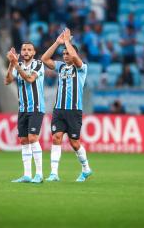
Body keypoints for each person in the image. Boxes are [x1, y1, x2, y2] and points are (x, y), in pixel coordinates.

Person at [41, 28, 92, 182]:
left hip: (74, 111)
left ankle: (86, 169)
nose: (64, 56)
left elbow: (76, 57)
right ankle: (54, 173)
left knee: (74, 143)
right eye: (63, 54)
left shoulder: (82, 68)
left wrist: (68, 41)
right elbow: (44, 59)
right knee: (56, 138)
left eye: (67, 53)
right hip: (59, 110)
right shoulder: (61, 66)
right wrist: (58, 42)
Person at [4, 43, 45, 183]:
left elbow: (29, 79)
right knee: (23, 140)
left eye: (29, 50)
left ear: (34, 52)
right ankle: (27, 174)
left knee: (33, 138)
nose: (26, 52)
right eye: (24, 50)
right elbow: (7, 81)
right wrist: (11, 63)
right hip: (22, 108)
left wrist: (16, 64)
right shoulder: (18, 64)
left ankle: (39, 174)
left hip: (36, 107)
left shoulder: (38, 64)